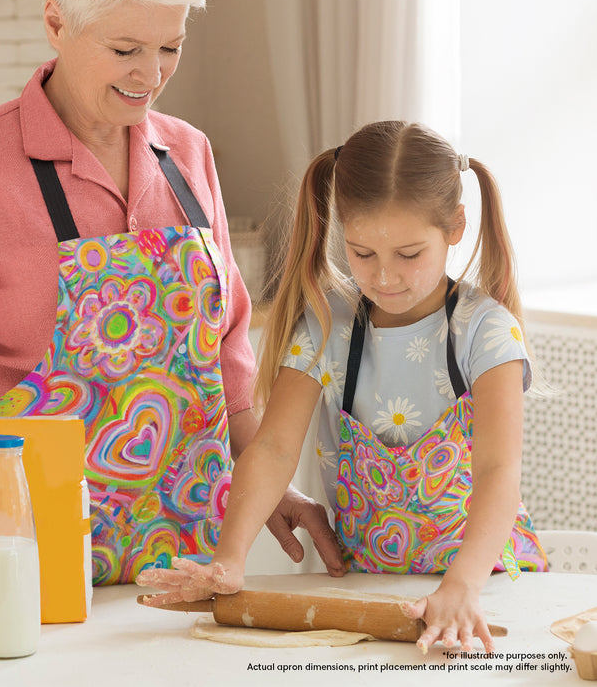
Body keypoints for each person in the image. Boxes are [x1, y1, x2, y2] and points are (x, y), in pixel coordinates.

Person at [0, 0, 342, 586]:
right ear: (57, 21)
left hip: (185, 562)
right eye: (125, 50)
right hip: (23, 558)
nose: (151, 73)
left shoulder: (188, 155)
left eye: (170, 47)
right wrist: (1, 494)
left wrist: (266, 486)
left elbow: (227, 354)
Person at [137, 120, 548, 651]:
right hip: (370, 592)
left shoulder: (485, 333)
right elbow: (274, 448)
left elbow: (498, 472)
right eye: (362, 253)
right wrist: (229, 558)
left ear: (455, 227)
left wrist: (462, 586)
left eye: (409, 254)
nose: (384, 277)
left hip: (484, 590)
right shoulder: (329, 324)